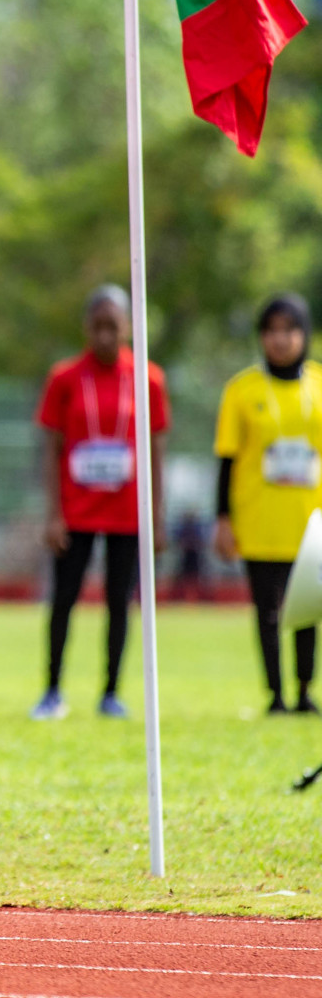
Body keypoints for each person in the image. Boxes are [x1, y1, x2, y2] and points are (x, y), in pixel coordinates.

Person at [33, 284, 168, 721]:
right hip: (76, 511)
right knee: (64, 600)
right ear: (87, 328)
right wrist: (53, 513)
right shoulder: (65, 378)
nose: (106, 335)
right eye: (98, 327)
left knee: (119, 601)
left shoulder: (148, 379)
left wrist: (156, 515)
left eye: (114, 326)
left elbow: (155, 451)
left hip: (127, 512)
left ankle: (111, 692)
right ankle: (52, 691)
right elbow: (52, 449)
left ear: (129, 326)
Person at [214, 294, 322, 715]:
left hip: (310, 522)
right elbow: (225, 459)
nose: (281, 340)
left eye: (289, 330)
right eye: (272, 331)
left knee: (309, 610)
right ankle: (275, 694)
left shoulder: (318, 386)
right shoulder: (241, 390)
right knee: (268, 611)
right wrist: (223, 518)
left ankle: (304, 690)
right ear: (261, 337)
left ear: (304, 334)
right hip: (259, 521)